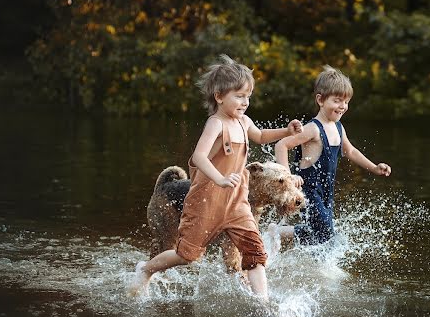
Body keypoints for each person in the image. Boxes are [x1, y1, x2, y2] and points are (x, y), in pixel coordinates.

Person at [129, 55, 302, 301]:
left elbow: (261, 135)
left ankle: (263, 303)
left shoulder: (244, 121)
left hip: (237, 202)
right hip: (207, 199)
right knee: (186, 255)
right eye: (239, 96)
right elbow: (199, 157)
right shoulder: (216, 124)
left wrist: (286, 131)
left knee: (255, 252)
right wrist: (220, 179)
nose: (245, 102)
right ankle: (145, 270)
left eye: (248, 97)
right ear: (219, 97)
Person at [270, 66, 391, 248]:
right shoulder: (313, 128)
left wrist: (374, 167)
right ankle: (283, 234)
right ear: (320, 100)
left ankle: (283, 236)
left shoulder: (339, 127)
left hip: (327, 191)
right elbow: (281, 145)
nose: (342, 106)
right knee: (326, 232)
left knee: (321, 234)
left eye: (346, 102)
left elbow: (350, 151)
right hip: (309, 191)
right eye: (337, 100)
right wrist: (288, 178)